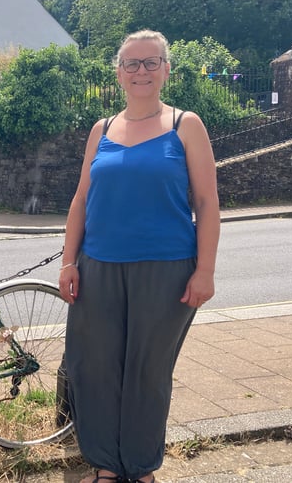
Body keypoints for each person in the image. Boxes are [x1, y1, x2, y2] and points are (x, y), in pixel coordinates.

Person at [58, 30, 220, 483]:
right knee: (95, 368)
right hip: (97, 267)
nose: (142, 71)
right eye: (132, 64)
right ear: (118, 73)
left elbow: (207, 202)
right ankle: (107, 465)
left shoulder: (185, 124)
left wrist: (204, 270)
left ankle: (141, 468)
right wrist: (69, 261)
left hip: (166, 270)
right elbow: (80, 199)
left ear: (166, 70)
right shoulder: (102, 130)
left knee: (147, 372)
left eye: (151, 62)